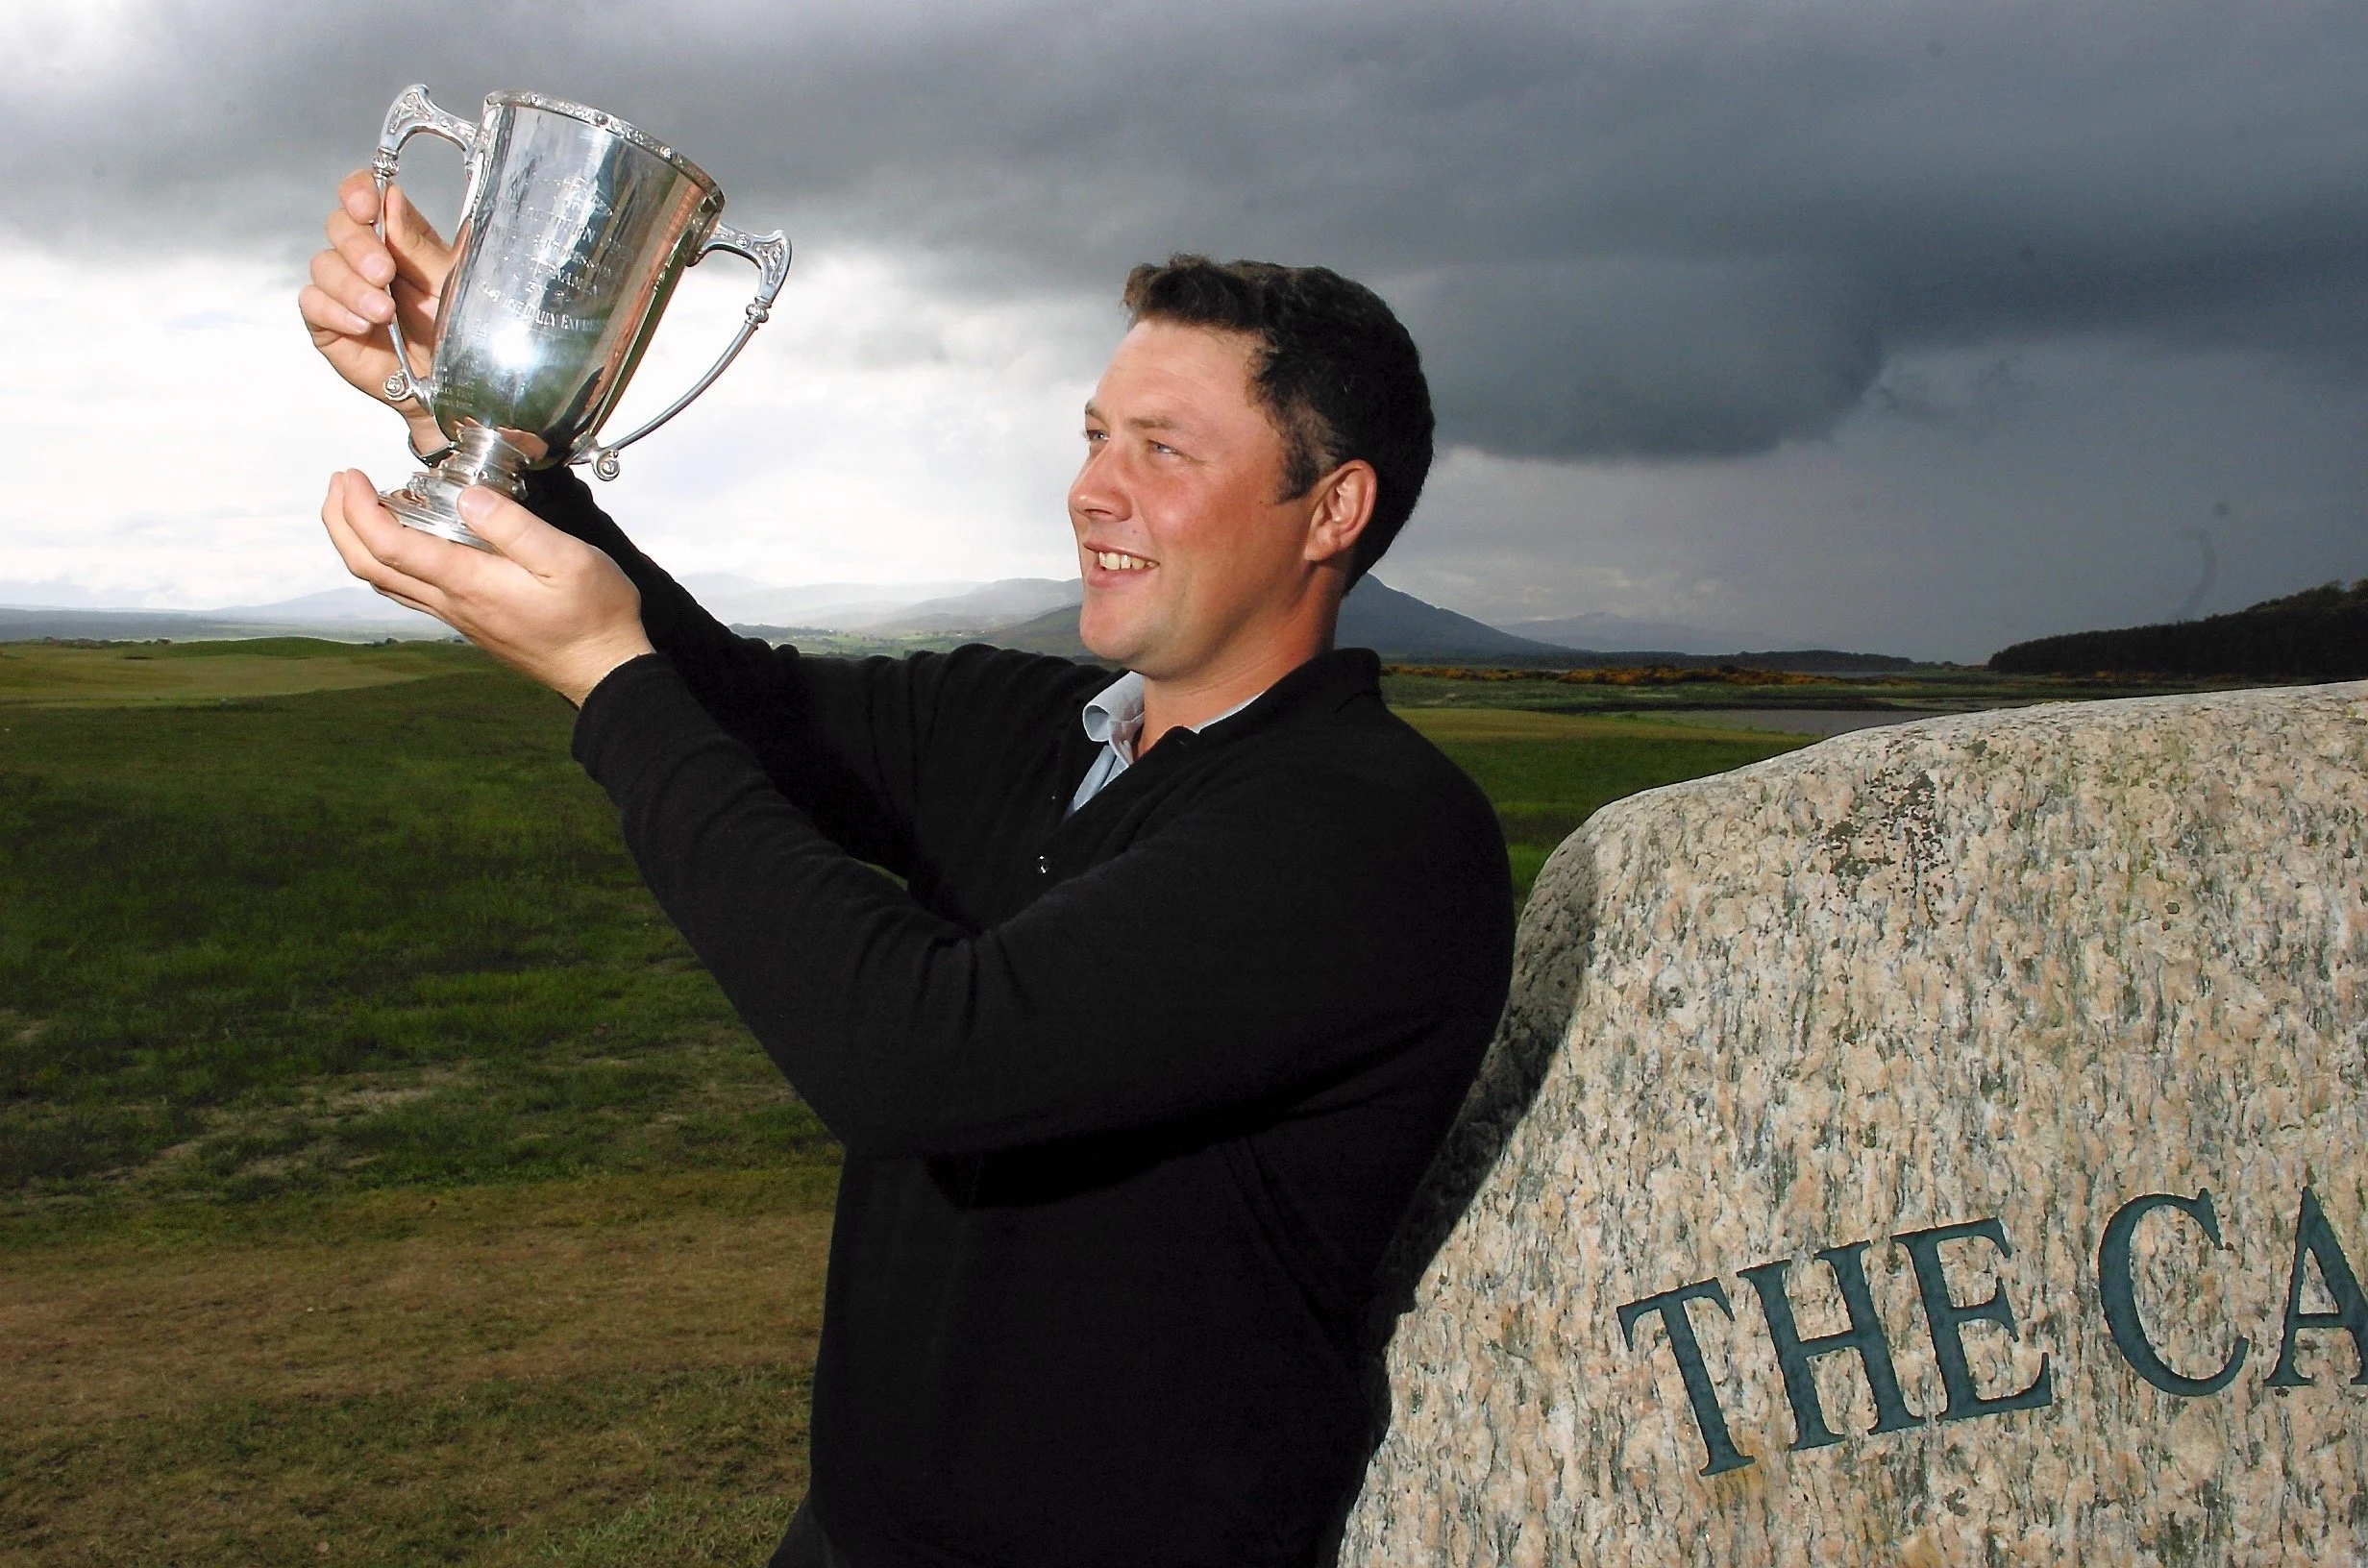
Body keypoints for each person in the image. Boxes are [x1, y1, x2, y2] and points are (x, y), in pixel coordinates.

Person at [302, 170, 1514, 1568]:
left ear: (1330, 509)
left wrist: (603, 681)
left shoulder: (1368, 831)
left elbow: (925, 1061)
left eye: (1164, 452)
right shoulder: (1035, 725)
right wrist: (488, 418)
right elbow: (743, 707)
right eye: (1093, 435)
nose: (1091, 490)